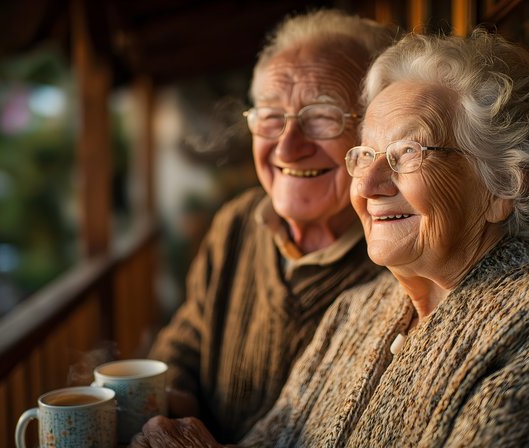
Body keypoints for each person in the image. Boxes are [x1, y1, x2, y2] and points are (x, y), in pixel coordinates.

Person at [132, 28, 529, 447]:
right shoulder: (354, 311)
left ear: (504, 183)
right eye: (364, 156)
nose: (367, 186)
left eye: (408, 152)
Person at [145, 9, 395, 443]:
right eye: (271, 117)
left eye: (322, 116)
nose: (287, 146)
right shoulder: (237, 223)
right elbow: (187, 338)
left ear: (377, 130)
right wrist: (170, 402)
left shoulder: (399, 257)